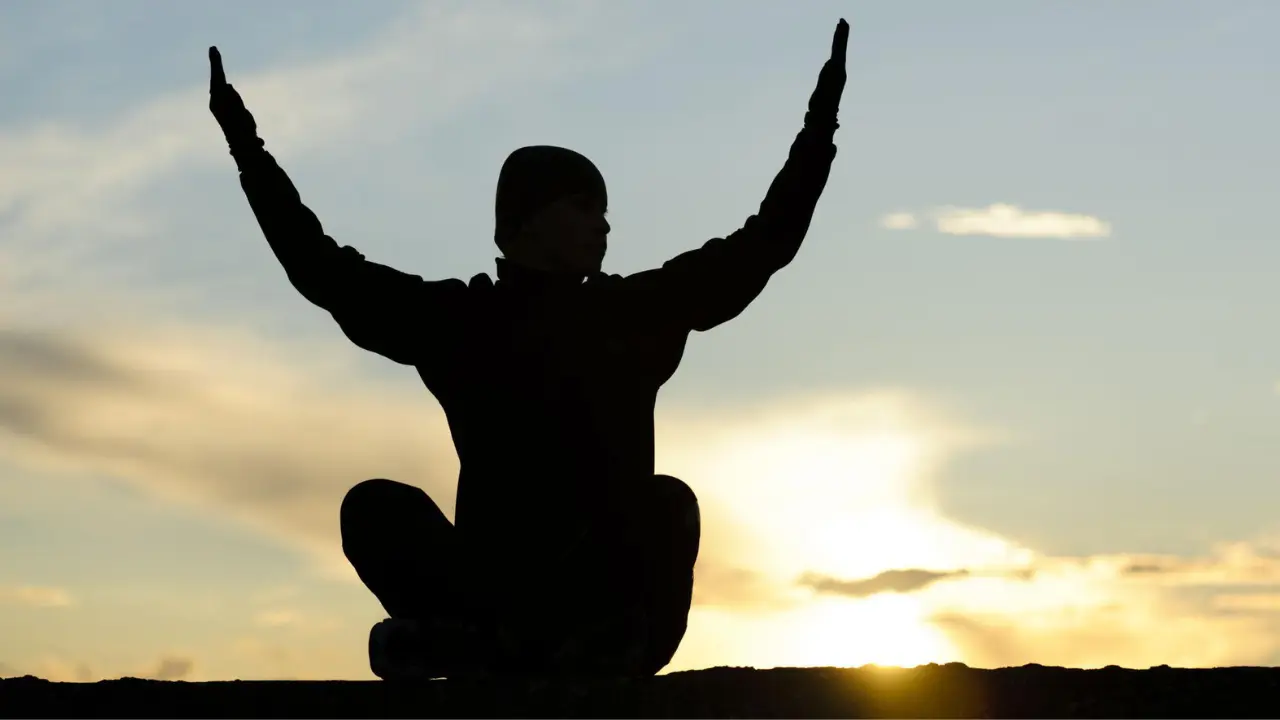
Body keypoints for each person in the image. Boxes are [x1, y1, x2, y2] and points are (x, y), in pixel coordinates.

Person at [207, 18, 848, 680]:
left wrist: (820, 124)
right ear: (526, 220)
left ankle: (516, 651)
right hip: (490, 596)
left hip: (599, 607)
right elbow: (323, 270)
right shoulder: (462, 319)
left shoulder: (634, 310)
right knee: (373, 506)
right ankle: (490, 644)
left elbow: (763, 243)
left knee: (667, 506)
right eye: (583, 206)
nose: (603, 224)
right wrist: (246, 148)